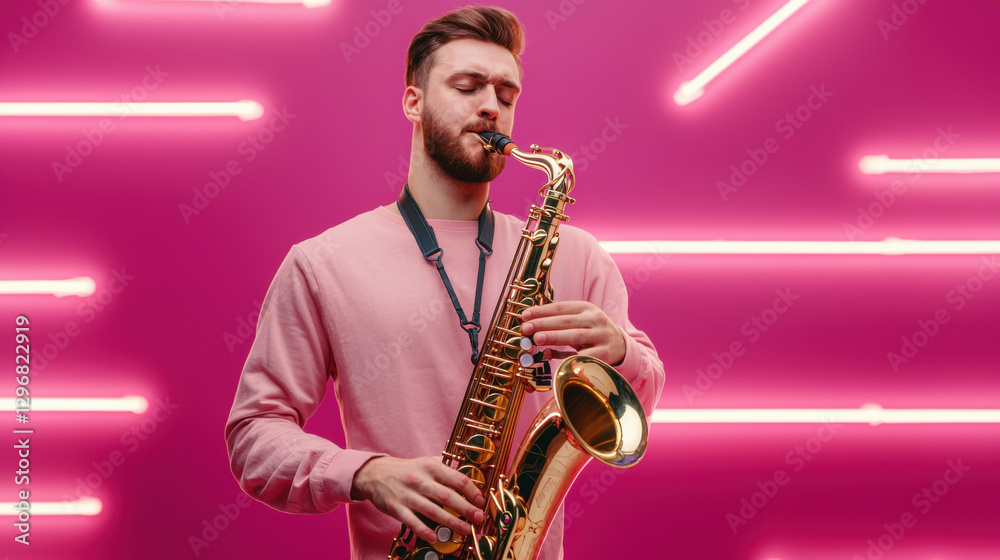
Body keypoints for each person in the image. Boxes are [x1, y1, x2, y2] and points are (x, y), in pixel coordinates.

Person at [225, 6, 664, 560]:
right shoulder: (323, 262)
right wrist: (366, 473)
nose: (491, 107)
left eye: (506, 95)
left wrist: (622, 351)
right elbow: (253, 436)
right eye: (467, 86)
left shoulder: (576, 254)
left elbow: (637, 402)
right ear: (413, 101)